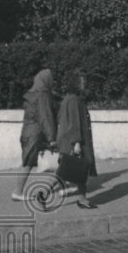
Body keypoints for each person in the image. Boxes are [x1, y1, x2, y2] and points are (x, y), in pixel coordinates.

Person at [40, 74, 99, 210]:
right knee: (67, 172)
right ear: (75, 83)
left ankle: (82, 199)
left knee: (77, 172)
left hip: (70, 140)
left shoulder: (69, 99)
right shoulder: (73, 100)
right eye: (82, 82)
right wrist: (77, 142)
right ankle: (43, 193)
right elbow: (74, 123)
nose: (84, 84)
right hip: (74, 142)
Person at [11, 69, 57, 201]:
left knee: (28, 162)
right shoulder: (43, 95)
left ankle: (18, 192)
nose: (52, 81)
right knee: (58, 160)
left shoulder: (32, 94)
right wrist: (52, 138)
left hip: (27, 133)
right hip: (37, 134)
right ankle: (42, 191)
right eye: (51, 79)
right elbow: (45, 117)